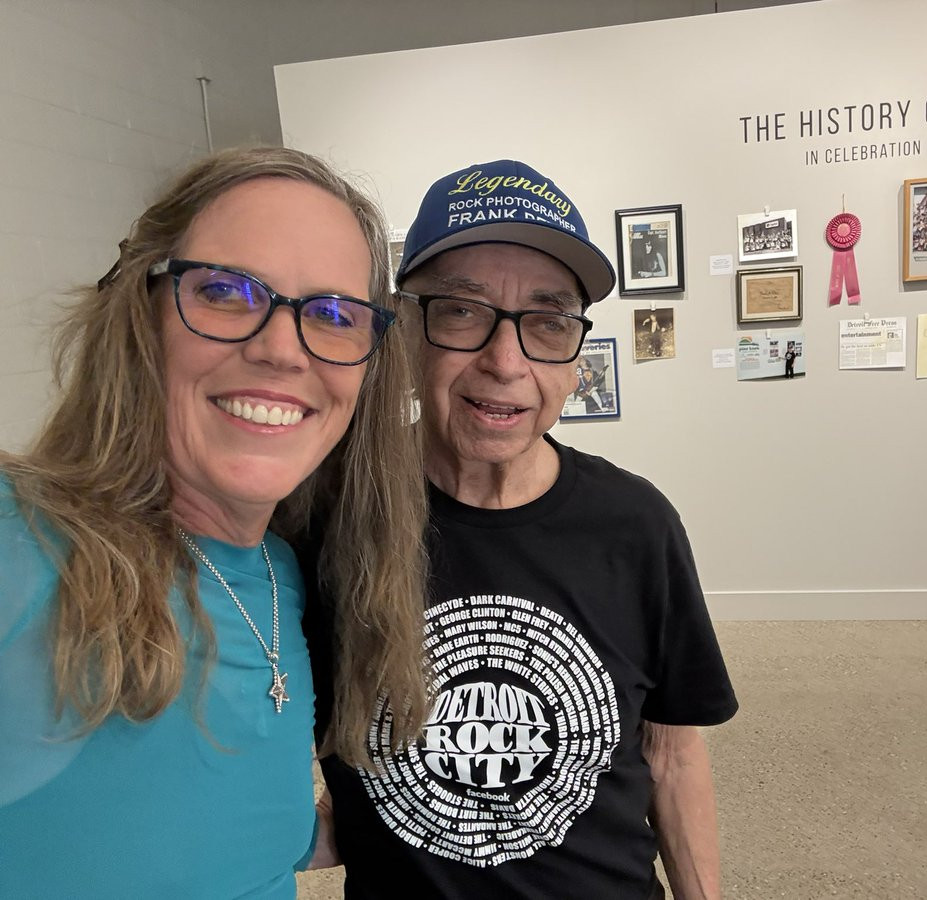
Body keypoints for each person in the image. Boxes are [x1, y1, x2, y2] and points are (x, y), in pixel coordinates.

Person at [0, 147, 427, 899]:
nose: (281, 349)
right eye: (226, 291)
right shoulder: (23, 544)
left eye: (334, 315)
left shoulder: (280, 572)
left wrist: (304, 831)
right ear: (142, 313)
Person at [307, 159, 737, 899]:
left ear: (575, 359)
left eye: (548, 322)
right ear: (404, 331)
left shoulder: (636, 525)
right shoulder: (328, 516)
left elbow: (671, 757)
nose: (505, 362)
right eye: (462, 311)